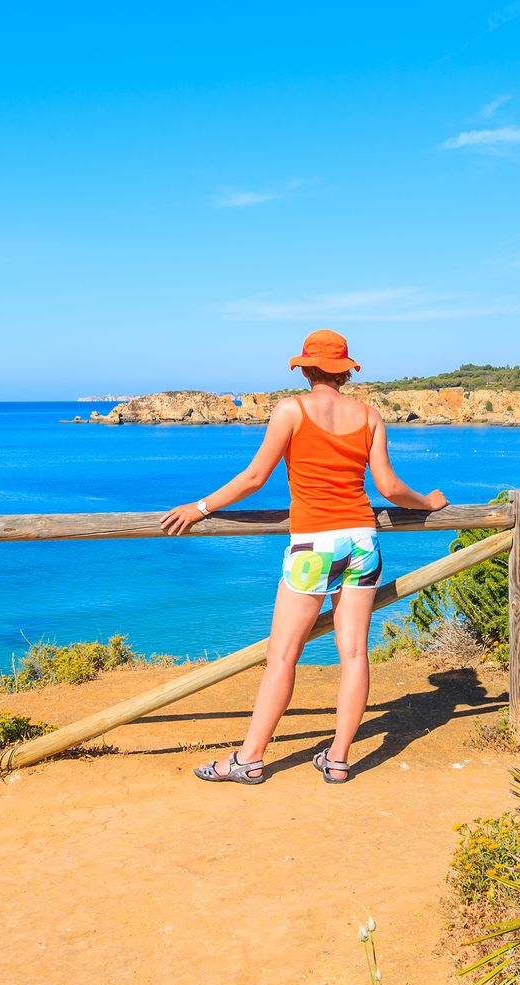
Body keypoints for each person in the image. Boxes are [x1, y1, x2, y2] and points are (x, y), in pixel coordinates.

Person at [163, 330, 447, 785]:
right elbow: (391, 490)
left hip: (315, 544)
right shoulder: (370, 416)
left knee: (282, 656)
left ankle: (249, 759)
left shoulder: (290, 410)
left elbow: (256, 477)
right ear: (346, 371)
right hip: (362, 541)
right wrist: (430, 503)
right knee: (354, 653)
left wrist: (198, 509)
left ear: (305, 368)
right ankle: (337, 759)